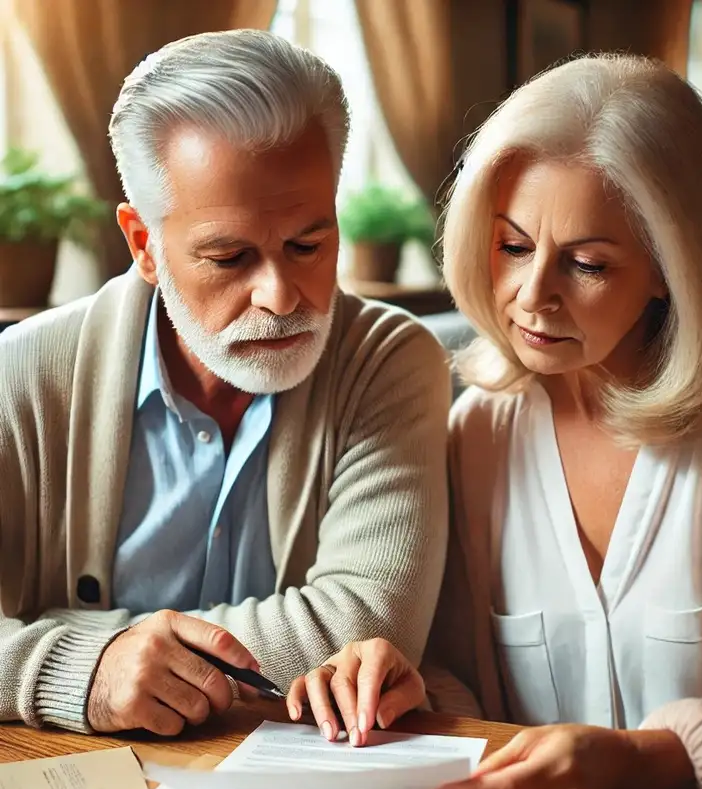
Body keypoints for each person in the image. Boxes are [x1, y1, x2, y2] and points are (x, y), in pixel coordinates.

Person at [292, 54, 702, 789]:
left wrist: (645, 762)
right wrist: (402, 690)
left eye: (588, 263)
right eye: (514, 245)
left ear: (673, 268)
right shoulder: (478, 433)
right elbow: (466, 689)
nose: (532, 295)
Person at [0, 30, 450, 740]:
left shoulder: (388, 361)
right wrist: (87, 670)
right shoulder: (20, 375)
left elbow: (364, 623)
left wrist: (57, 634)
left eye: (308, 244)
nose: (280, 294)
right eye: (229, 256)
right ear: (144, 245)